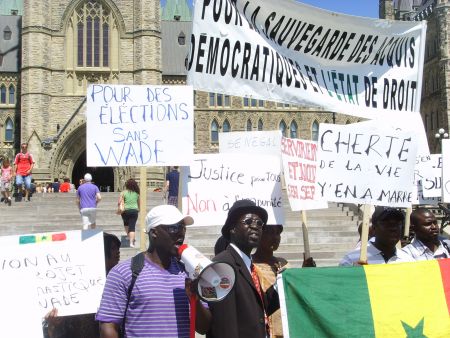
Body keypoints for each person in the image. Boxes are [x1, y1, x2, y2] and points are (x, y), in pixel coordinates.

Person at [96, 205, 211, 338]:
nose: (181, 233)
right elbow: (108, 328)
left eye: (183, 228)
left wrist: (195, 299)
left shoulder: (189, 273)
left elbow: (203, 328)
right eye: (173, 228)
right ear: (154, 233)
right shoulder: (123, 273)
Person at [207, 200, 279, 338]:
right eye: (248, 222)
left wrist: (284, 283)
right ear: (232, 228)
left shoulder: (248, 264)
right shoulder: (222, 265)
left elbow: (257, 309)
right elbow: (224, 326)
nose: (255, 226)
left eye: (259, 223)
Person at [43, 232, 122, 338]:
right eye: (112, 248)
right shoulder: (77, 280)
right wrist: (53, 324)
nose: (117, 252)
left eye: (117, 248)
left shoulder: (120, 279)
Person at [340, 206, 414, 266]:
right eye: (386, 223)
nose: (393, 228)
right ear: (374, 228)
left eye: (398, 223)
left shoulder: (409, 261)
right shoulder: (351, 259)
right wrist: (356, 276)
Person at [120, 178, 140, 248]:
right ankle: (131, 243)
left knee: (126, 224)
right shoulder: (136, 194)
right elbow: (138, 203)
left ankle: (128, 236)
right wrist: (138, 209)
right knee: (132, 227)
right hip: (134, 211)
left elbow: (119, 202)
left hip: (125, 211)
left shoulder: (123, 193)